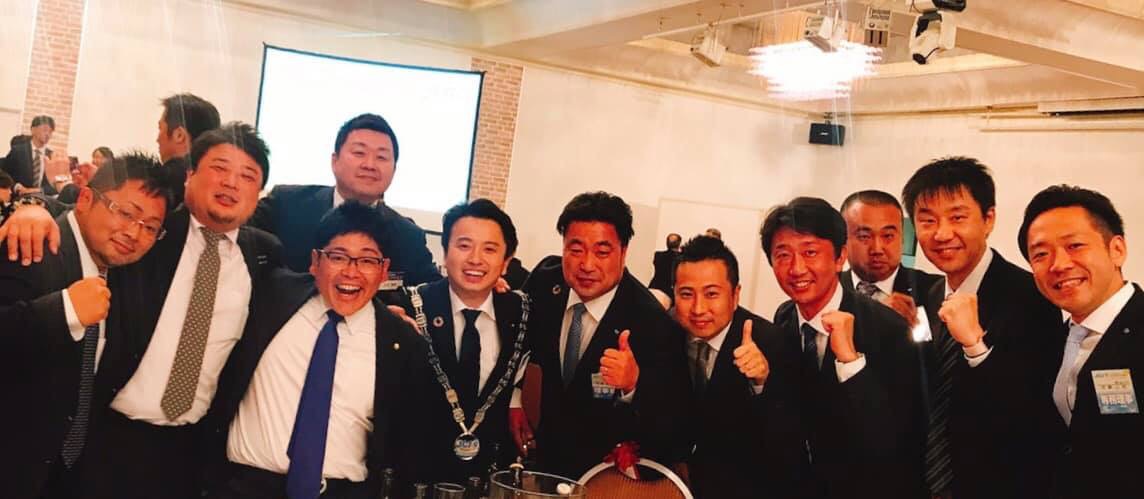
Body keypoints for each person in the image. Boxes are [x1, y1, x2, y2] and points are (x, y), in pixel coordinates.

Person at [205, 202, 426, 499]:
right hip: (246, 486)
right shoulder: (271, 294)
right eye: (338, 257)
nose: (351, 272)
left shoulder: (401, 342)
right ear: (315, 261)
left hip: (343, 492)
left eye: (367, 261)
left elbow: (405, 442)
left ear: (384, 270)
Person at [0, 153, 172, 499]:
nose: (134, 233)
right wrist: (62, 311)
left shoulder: (121, 275)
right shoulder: (33, 243)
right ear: (85, 199)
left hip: (64, 472)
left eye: (150, 227)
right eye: (126, 213)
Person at [902, 156, 1065, 499]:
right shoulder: (929, 295)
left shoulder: (1033, 296)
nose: (942, 234)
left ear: (988, 219)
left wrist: (976, 347)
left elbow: (1031, 411)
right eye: (927, 221)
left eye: (957, 217)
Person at [509, 191, 691, 479]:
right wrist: (515, 399)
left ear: (623, 252)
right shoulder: (545, 283)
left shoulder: (653, 324)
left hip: (601, 480)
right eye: (576, 249)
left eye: (602, 252)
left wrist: (633, 387)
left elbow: (672, 431)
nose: (587, 265)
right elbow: (516, 343)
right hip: (540, 465)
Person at [762, 197, 924, 499]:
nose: (796, 268)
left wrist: (850, 363)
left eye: (810, 252)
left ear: (840, 257)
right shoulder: (784, 317)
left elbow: (895, 436)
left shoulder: (889, 327)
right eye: (783, 255)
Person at [1017, 185, 1141, 499]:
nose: (1058, 264)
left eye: (1074, 245)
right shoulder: (1055, 338)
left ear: (1117, 250)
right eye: (1040, 254)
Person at [397, 199, 527, 486]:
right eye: (464, 245)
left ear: (506, 262)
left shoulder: (521, 311)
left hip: (487, 478)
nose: (475, 259)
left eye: (489, 249)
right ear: (444, 253)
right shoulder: (408, 306)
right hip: (414, 477)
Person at [672, 235, 806, 499]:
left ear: (735, 295)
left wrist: (761, 383)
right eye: (686, 294)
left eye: (712, 294)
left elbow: (788, 446)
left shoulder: (772, 342)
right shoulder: (664, 332)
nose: (698, 308)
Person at [250, 113, 440, 286]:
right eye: (359, 153)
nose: (370, 165)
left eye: (381, 157)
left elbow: (432, 292)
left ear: (394, 169)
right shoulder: (286, 204)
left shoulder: (408, 237)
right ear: (335, 161)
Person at [839, 190, 942, 328]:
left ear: (902, 239)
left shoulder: (936, 291)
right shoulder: (825, 290)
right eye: (864, 236)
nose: (877, 249)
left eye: (888, 236)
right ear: (842, 241)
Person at [157, 93, 221, 206]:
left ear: (179, 135)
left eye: (161, 129)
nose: (157, 139)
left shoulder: (162, 180)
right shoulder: (216, 183)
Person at [3, 115, 57, 195]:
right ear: (33, 130)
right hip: (19, 197)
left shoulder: (52, 156)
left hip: (42, 199)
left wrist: (34, 190)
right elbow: (4, 174)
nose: (48, 134)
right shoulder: (17, 151)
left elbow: (55, 186)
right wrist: (16, 187)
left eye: (50, 131)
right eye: (45, 130)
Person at [648, 232, 681, 298]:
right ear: (679, 243)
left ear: (667, 243)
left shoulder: (658, 255)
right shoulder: (681, 258)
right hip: (669, 291)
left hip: (654, 287)